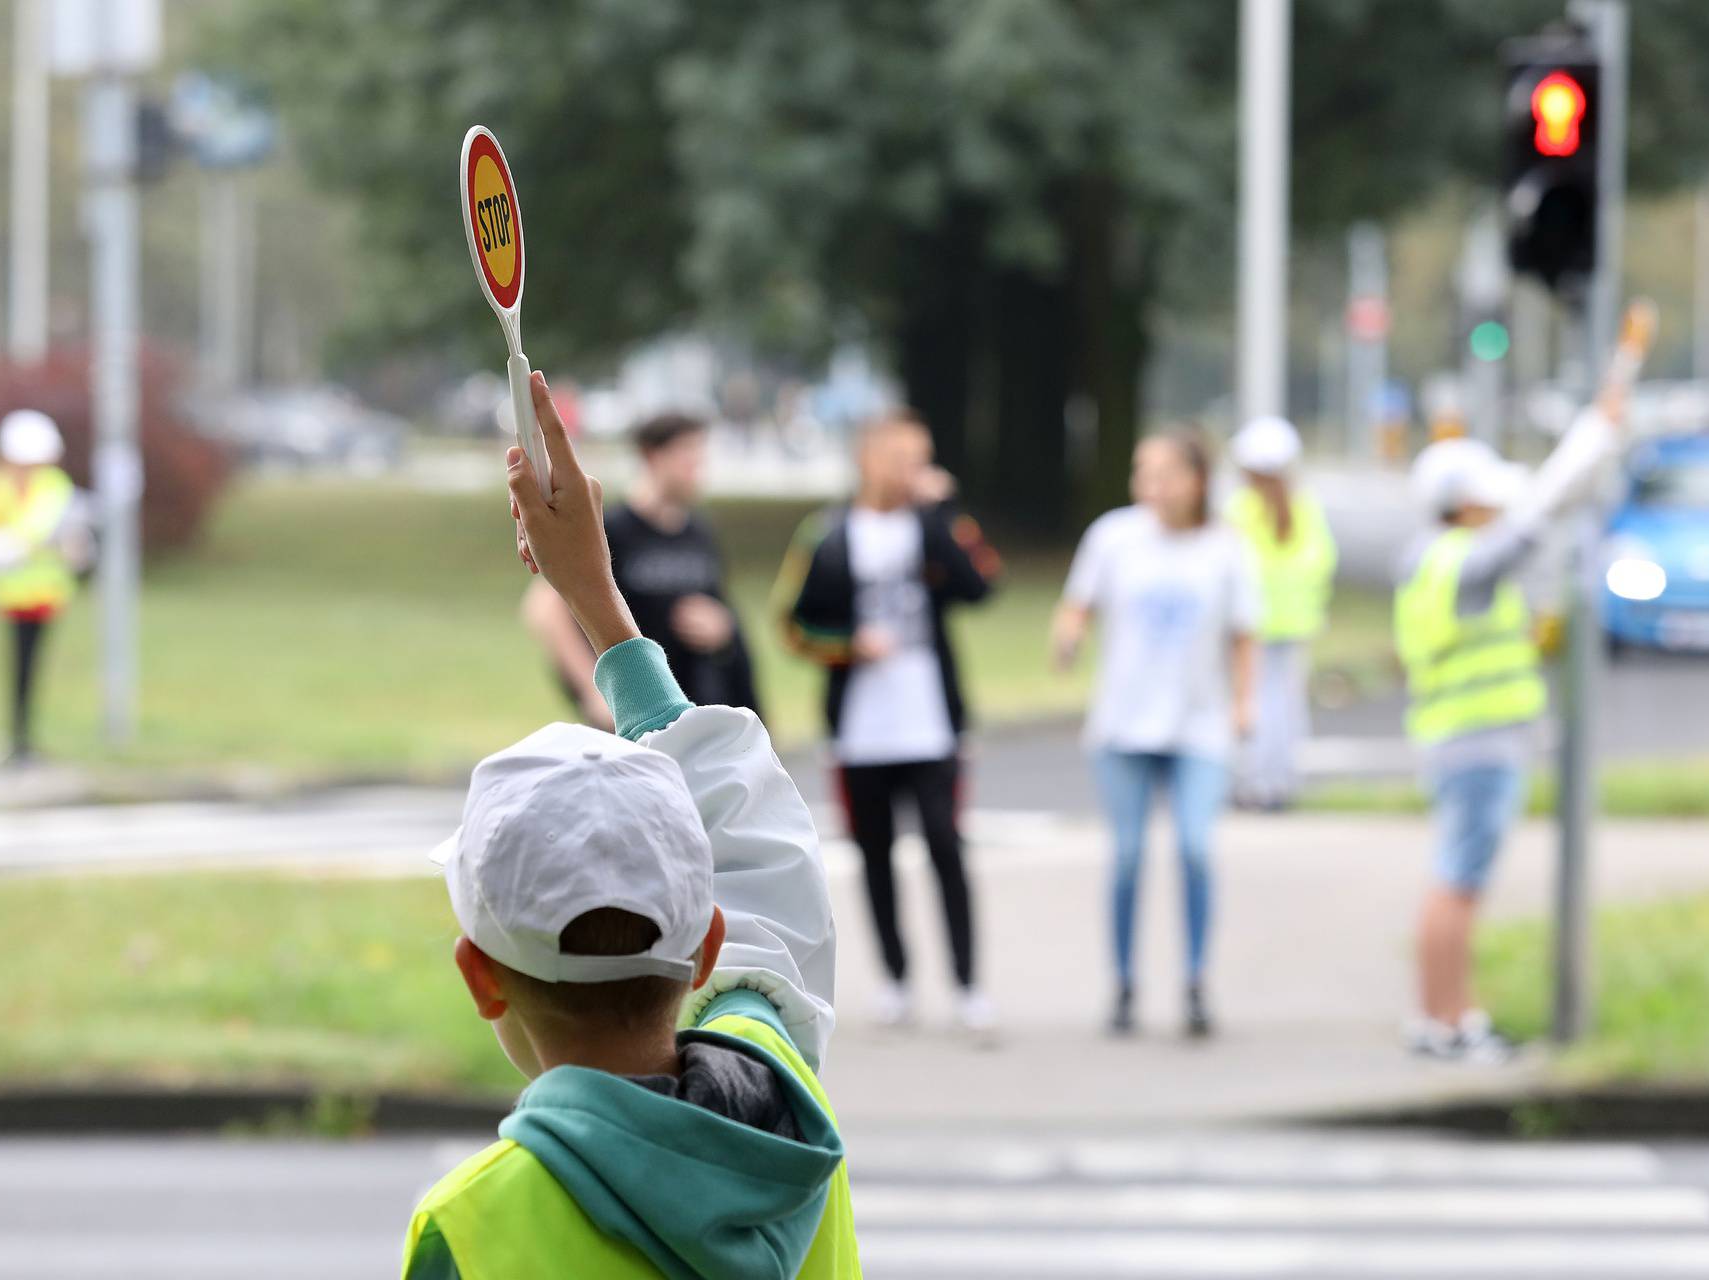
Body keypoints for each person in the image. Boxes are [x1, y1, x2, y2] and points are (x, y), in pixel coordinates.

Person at [402, 371, 860, 1278]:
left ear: (479, 975)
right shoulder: (785, 1101)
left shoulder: (470, 1223)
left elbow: (750, 844)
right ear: (705, 950)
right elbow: (756, 838)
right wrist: (601, 600)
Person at [1397, 407, 1629, 1064]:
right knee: (1458, 885)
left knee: (1456, 882)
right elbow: (1538, 515)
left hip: (1461, 740)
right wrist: (1592, 438)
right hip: (1477, 743)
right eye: (1487, 497)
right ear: (1462, 505)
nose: (1498, 508)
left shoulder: (1432, 558)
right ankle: (1446, 1023)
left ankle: (1449, 1015)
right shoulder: (1462, 563)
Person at [773, 412, 1001, 1033]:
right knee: (875, 852)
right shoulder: (828, 533)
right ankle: (896, 978)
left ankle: (968, 983)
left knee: (945, 846)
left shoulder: (936, 524)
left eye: (921, 459)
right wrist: (849, 644)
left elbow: (983, 585)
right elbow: (791, 625)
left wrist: (941, 513)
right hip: (861, 729)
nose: (913, 472)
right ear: (868, 459)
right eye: (902, 458)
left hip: (932, 724)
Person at [1052, 431, 1260, 1038]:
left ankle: (1195, 981)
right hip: (1124, 725)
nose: (1151, 485)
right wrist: (1067, 637)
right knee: (1127, 857)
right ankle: (1123, 983)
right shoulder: (1114, 537)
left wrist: (1245, 704)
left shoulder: (1226, 548)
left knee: (1195, 849)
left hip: (1199, 723)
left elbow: (1245, 635)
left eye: (1165, 472)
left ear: (1197, 480)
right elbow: (1076, 606)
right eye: (1143, 472)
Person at [522, 411, 759, 732]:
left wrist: (721, 627)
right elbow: (544, 609)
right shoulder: (611, 527)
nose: (697, 465)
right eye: (686, 452)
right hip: (635, 717)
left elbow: (720, 608)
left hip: (691, 710)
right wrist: (594, 693)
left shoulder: (700, 534)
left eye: (701, 453)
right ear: (652, 455)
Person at [0, 410, 90, 764]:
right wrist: (9, 548)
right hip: (11, 594)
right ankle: (19, 737)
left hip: (45, 594)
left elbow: (74, 544)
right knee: (21, 666)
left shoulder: (54, 488)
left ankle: (23, 736)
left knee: (32, 666)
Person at [1224, 416, 1337, 811]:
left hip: (1253, 623)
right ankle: (1281, 780)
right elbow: (1322, 561)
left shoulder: (1240, 509)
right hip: (1295, 621)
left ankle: (1255, 781)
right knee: (1286, 702)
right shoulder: (1305, 506)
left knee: (1255, 701)